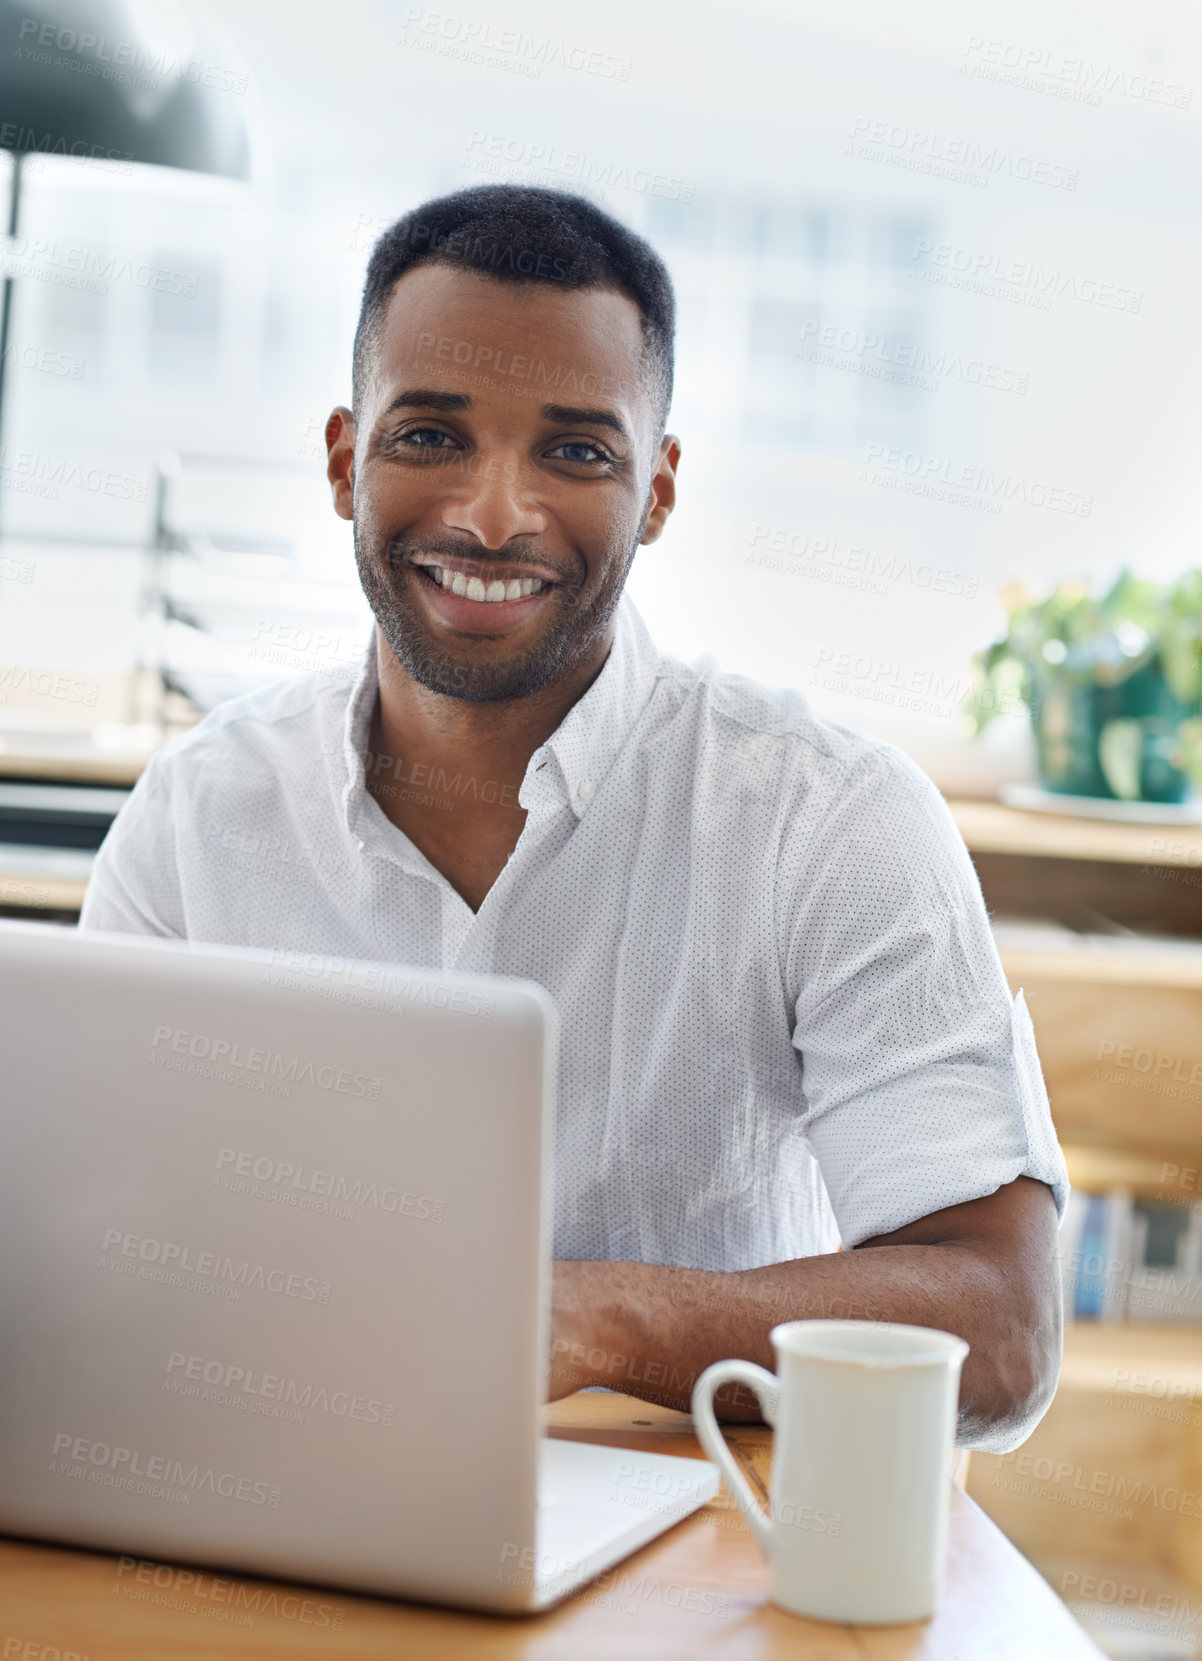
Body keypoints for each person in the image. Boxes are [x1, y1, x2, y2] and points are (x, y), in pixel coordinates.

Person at [81, 184, 1067, 1451]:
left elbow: (1000, 1328)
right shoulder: (197, 814)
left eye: (576, 451)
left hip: (691, 1574)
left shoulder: (827, 820)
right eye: (431, 436)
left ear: (656, 491)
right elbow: (80, 1230)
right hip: (274, 1494)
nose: (494, 515)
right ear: (344, 459)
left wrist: (589, 1321)